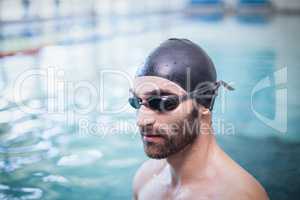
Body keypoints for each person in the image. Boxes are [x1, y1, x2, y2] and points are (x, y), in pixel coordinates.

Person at [129, 38, 269, 200]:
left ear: (206, 101)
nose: (142, 120)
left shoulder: (239, 195)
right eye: (137, 102)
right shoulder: (144, 179)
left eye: (162, 102)